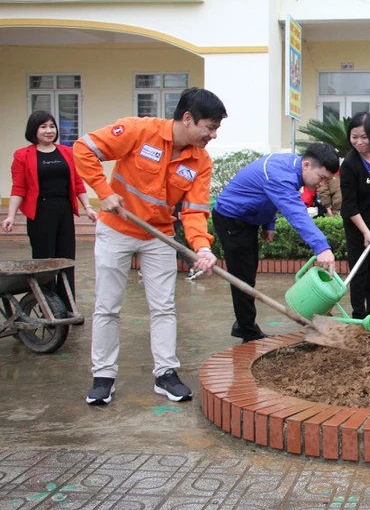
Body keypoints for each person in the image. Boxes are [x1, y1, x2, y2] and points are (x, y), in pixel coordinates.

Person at [73, 87, 226, 406]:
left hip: (158, 236)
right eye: (210, 127)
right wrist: (103, 190)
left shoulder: (201, 161)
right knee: (107, 305)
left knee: (164, 306)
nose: (213, 135)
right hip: (116, 229)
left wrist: (202, 247)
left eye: (216, 129)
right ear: (188, 119)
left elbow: (195, 210)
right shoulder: (138, 131)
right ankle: (103, 377)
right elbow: (83, 148)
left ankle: (166, 374)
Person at [213, 144, 339, 342]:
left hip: (248, 218)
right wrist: (321, 246)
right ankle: (247, 330)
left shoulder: (292, 168)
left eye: (327, 180)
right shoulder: (280, 174)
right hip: (232, 219)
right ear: (306, 165)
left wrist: (268, 223)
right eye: (321, 178)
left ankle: (242, 323)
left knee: (248, 273)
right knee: (242, 277)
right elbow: (296, 213)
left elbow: (269, 197)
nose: (322, 185)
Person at [2, 111, 98, 311]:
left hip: (64, 211)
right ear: (34, 129)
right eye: (43, 126)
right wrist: (11, 215)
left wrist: (87, 207)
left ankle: (68, 308)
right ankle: (49, 309)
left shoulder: (66, 152)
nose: (49, 131)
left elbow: (77, 182)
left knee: (66, 260)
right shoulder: (22, 155)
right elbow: (18, 187)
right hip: (40, 213)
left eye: (52, 126)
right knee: (45, 263)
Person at [341, 112, 370, 319]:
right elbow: (349, 206)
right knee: (360, 267)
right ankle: (359, 316)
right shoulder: (350, 164)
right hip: (357, 218)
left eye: (363, 137)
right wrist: (366, 233)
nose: (358, 142)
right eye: (354, 137)